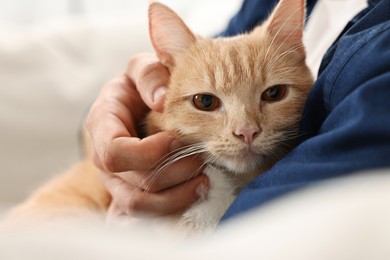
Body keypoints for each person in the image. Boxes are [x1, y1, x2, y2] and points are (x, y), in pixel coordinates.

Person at [86, 0, 390, 221]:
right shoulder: (261, 6)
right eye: (207, 102)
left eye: (273, 93)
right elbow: (217, 51)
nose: (245, 128)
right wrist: (110, 120)